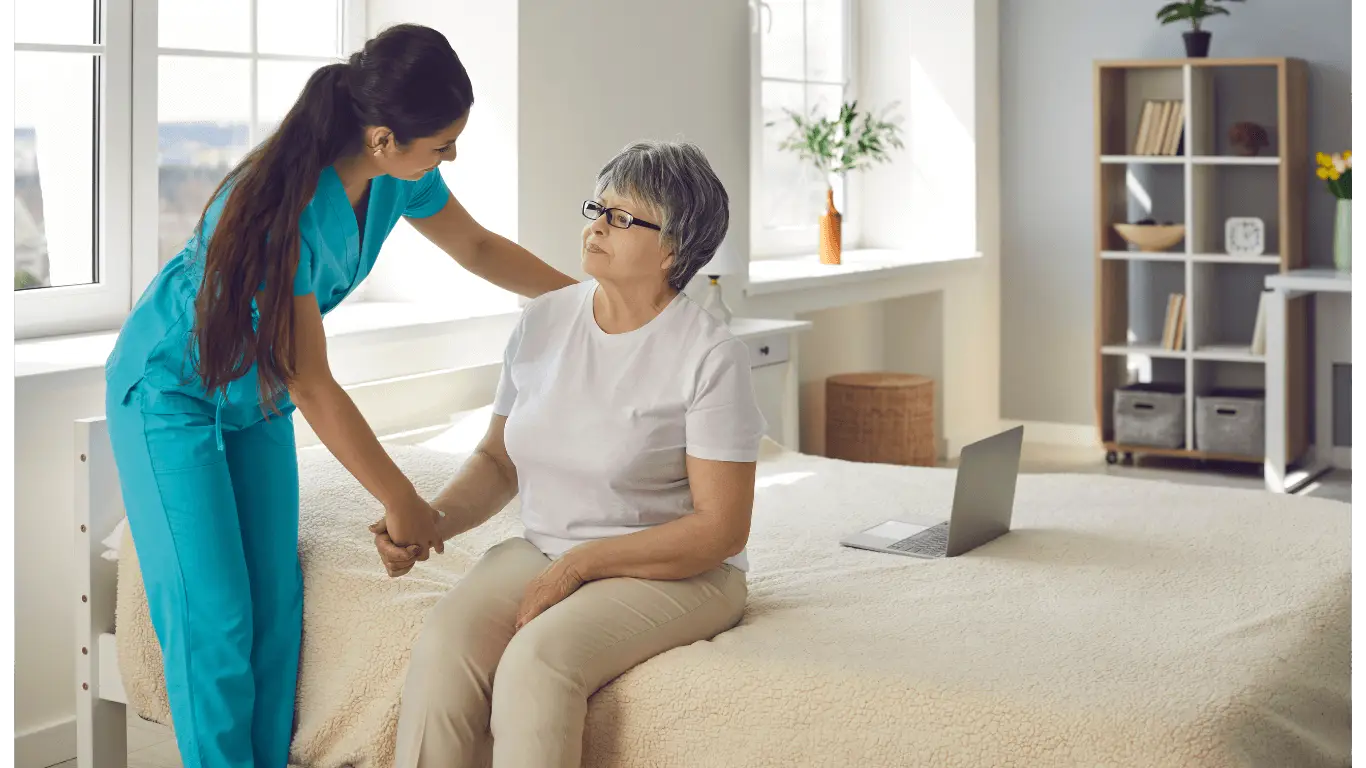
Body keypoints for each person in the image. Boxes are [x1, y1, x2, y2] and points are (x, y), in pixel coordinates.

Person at [104, 24, 574, 768]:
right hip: (172, 393)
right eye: (442, 146)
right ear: (383, 138)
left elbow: (478, 247)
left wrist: (586, 303)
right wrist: (402, 500)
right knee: (216, 618)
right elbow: (312, 381)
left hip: (252, 398)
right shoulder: (273, 207)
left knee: (276, 615)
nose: (449, 158)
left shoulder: (398, 175)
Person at [373, 140, 764, 768]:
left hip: (678, 570)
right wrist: (431, 522)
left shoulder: (708, 353)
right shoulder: (543, 320)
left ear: (674, 248)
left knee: (537, 661)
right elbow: (500, 463)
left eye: (623, 217)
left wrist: (580, 566)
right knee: (447, 641)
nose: (597, 225)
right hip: (545, 547)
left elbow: (721, 528)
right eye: (597, 207)